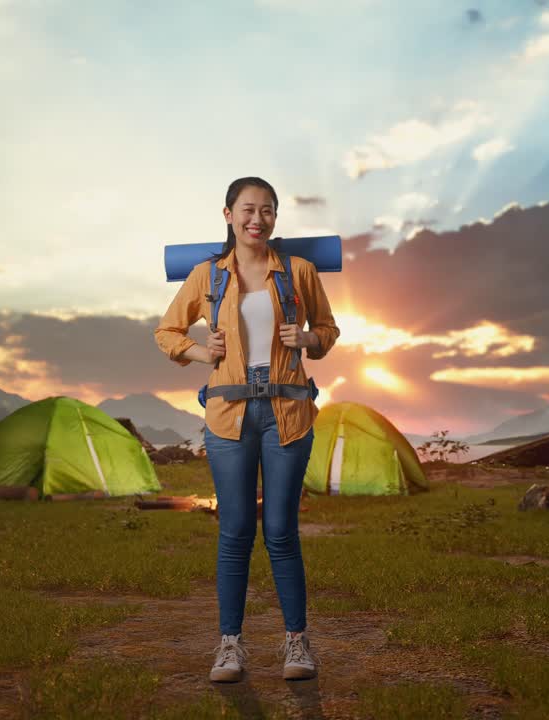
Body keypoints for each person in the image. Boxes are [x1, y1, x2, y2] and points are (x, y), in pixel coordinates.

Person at [154, 176, 340, 683]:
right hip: (228, 418)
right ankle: (230, 647)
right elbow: (167, 331)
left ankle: (297, 644)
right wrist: (199, 351)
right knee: (234, 533)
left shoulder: (297, 271)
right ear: (229, 214)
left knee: (281, 533)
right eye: (249, 210)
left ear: (276, 218)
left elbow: (328, 331)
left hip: (288, 415)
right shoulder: (208, 275)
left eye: (268, 211)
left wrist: (304, 338)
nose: (258, 219)